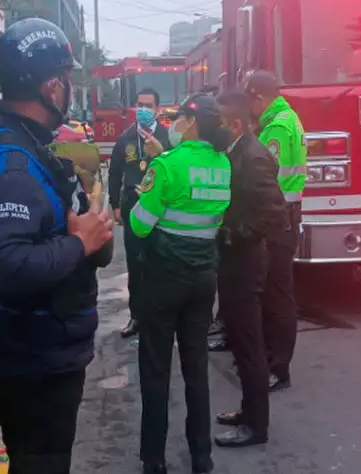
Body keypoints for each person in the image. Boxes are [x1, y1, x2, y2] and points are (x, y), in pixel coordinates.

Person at [0, 18, 114, 473]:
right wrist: (80, 243)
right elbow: (5, 266)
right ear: (50, 86)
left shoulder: (16, 141)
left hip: (36, 351)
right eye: (67, 81)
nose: (71, 92)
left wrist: (85, 234)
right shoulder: (13, 166)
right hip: (33, 359)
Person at [130, 93, 233, 474]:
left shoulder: (166, 165)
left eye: (179, 119)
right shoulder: (222, 164)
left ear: (191, 123)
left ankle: (154, 459)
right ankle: (201, 456)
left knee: (156, 370)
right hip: (203, 279)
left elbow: (141, 224)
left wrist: (141, 194)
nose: (173, 125)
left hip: (163, 280)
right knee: (196, 368)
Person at [211, 90, 289, 448]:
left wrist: (234, 235)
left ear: (237, 124)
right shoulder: (236, 151)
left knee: (248, 344)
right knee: (241, 344)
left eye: (221, 122)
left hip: (245, 260)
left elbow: (275, 216)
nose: (217, 128)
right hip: (232, 259)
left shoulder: (254, 157)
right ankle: (248, 409)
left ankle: (256, 426)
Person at [244, 70, 306, 392]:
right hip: (283, 215)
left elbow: (269, 177)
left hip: (278, 219)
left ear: (259, 97)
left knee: (278, 297)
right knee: (272, 293)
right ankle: (273, 361)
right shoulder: (286, 117)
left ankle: (278, 367)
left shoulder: (278, 127)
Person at [107, 87, 170, 338]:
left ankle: (161, 316)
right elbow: (113, 173)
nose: (144, 109)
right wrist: (115, 205)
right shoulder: (125, 138)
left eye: (149, 105)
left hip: (161, 211)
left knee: (161, 263)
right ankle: (137, 317)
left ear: (157, 109)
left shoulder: (168, 138)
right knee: (135, 263)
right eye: (140, 105)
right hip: (132, 207)